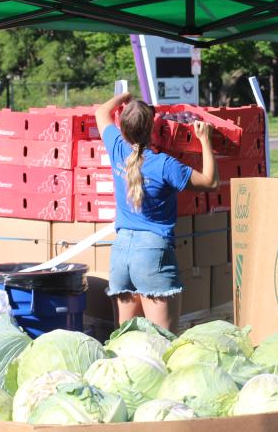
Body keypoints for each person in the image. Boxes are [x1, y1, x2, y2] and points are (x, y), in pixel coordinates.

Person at [94, 93, 219, 330]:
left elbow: (101, 112)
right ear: (152, 129)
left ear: (122, 129)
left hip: (121, 252)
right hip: (152, 254)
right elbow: (210, 182)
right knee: (163, 343)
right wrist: (204, 139)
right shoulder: (164, 165)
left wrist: (123, 97)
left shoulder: (117, 148)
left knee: (126, 340)